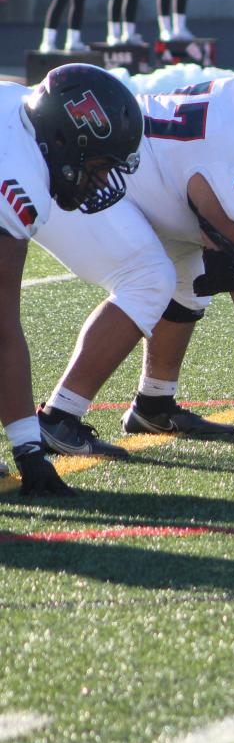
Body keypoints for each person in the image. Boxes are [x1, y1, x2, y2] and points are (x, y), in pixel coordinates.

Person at [32, 46, 234, 460]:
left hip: (135, 177)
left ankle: (154, 404)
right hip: (86, 174)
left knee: (189, 279)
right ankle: (60, 416)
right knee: (148, 281)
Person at [1, 65, 143, 495]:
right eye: (99, 167)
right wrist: (28, 452)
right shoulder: (20, 185)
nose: (100, 180)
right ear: (64, 140)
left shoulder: (17, 107)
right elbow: (3, 329)